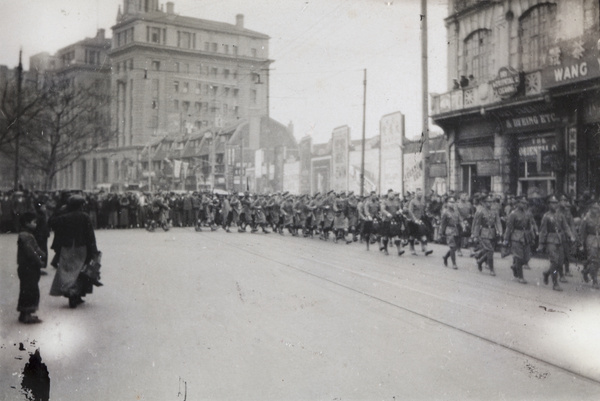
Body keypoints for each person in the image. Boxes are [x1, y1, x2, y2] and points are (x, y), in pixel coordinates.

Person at [49, 195, 100, 308]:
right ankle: (76, 294)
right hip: (82, 246)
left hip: (67, 246)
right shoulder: (85, 217)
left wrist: (59, 210)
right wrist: (94, 250)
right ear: (81, 205)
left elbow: (51, 223)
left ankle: (72, 292)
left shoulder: (64, 217)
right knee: (81, 270)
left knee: (68, 270)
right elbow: (90, 235)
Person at [537, 195, 575, 292]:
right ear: (549, 204)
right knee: (554, 261)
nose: (554, 205)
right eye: (552, 203)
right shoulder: (546, 216)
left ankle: (547, 273)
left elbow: (566, 227)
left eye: (555, 203)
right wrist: (541, 244)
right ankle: (555, 283)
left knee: (560, 262)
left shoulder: (561, 215)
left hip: (559, 240)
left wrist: (570, 235)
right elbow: (543, 231)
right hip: (550, 240)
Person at [17, 212, 46, 324]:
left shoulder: (26, 235)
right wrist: (39, 260)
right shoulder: (26, 236)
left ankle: (24, 313)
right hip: (28, 267)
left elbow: (35, 249)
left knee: (26, 289)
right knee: (30, 290)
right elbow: (31, 252)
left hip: (27, 267)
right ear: (27, 223)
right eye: (33, 222)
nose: (35, 224)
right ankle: (26, 315)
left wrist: (41, 253)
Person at [503, 196, 534, 284]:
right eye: (522, 203)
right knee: (519, 257)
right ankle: (520, 277)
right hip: (516, 236)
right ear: (517, 204)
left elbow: (529, 226)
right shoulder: (513, 214)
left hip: (525, 237)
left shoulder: (527, 214)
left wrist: (532, 236)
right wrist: (506, 239)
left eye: (525, 203)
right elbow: (509, 227)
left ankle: (515, 266)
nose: (524, 205)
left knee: (527, 257)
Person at [472, 195, 503, 276]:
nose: (490, 204)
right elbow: (477, 224)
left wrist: (500, 231)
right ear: (483, 203)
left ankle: (480, 261)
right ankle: (491, 269)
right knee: (490, 251)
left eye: (491, 202)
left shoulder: (495, 211)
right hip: (484, 233)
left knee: (489, 250)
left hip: (493, 233)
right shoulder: (480, 211)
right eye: (487, 202)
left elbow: (498, 221)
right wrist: (475, 235)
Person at [578, 202, 600, 288]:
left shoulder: (599, 217)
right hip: (590, 239)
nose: (596, 210)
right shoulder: (586, 218)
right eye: (594, 208)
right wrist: (581, 244)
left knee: (598, 261)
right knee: (593, 260)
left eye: (597, 208)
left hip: (598, 239)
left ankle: (586, 271)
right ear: (591, 208)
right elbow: (582, 232)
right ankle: (594, 281)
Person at [439, 197, 460, 269]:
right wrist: (441, 232)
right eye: (450, 202)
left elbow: (460, 220)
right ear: (447, 203)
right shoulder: (445, 212)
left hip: (456, 230)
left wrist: (463, 225)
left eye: (453, 202)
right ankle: (454, 263)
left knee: (455, 247)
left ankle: (445, 257)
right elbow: (442, 223)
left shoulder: (456, 211)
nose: (452, 204)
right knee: (452, 246)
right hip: (449, 230)